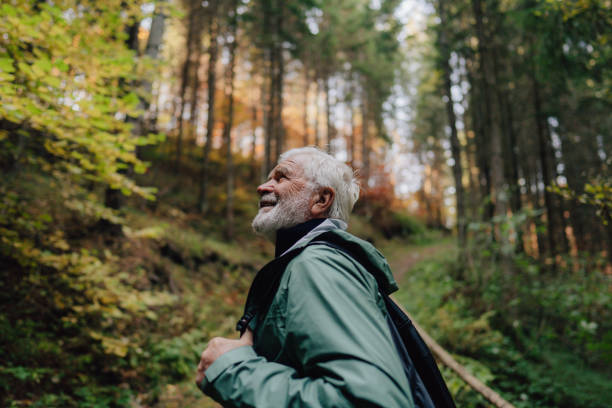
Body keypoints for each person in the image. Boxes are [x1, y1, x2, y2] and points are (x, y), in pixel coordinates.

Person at [195, 147, 414, 407]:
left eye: (281, 178)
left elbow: (368, 401)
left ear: (321, 199)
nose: (262, 187)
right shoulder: (309, 263)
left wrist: (231, 370)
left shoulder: (319, 265)